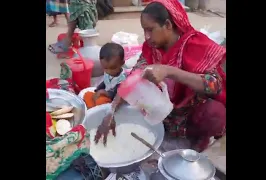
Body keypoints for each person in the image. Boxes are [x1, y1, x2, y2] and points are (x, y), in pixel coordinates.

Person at [94, 0, 226, 152]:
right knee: (136, 100)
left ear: (168, 25)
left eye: (150, 30)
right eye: (144, 30)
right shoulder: (151, 48)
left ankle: (198, 141)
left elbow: (214, 85)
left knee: (214, 112)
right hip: (164, 112)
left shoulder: (196, 44)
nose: (146, 36)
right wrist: (111, 112)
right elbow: (133, 78)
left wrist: (169, 71)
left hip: (191, 114)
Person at [83, 43, 127, 110]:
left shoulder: (123, 78)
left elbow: (116, 93)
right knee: (87, 94)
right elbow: (104, 82)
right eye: (105, 68)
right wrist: (97, 90)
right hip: (104, 95)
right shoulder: (108, 72)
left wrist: (104, 93)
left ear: (122, 63)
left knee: (101, 101)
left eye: (113, 68)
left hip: (113, 100)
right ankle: (92, 108)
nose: (109, 71)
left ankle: (95, 109)